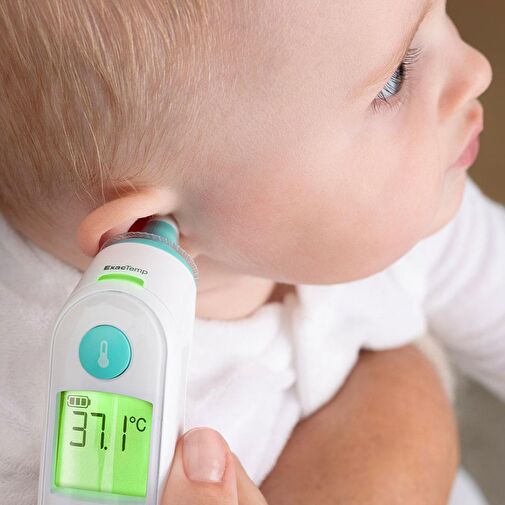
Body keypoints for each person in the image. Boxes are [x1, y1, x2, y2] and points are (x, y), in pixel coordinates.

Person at [0, 0, 503, 503]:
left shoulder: (402, 206)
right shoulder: (44, 420)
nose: (477, 69)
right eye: (394, 79)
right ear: (144, 229)